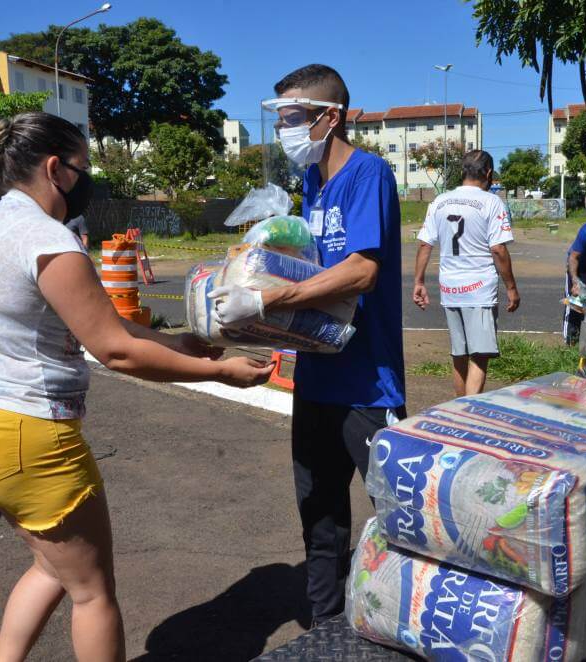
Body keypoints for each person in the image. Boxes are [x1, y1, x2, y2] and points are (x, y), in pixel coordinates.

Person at [0, 112, 273, 662]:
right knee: (93, 593)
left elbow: (106, 325)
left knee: (52, 566)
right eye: (83, 166)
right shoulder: (50, 242)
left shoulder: (0, 225)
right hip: (25, 436)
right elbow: (113, 349)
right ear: (56, 168)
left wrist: (179, 343)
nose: (88, 178)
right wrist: (218, 371)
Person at [209, 64, 406, 624]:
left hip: (368, 384)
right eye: (283, 119)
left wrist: (273, 299)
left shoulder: (368, 175)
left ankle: (400, 617)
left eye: (294, 117)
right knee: (319, 517)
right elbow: (312, 266)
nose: (285, 129)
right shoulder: (312, 184)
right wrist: (263, 258)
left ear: (330, 116)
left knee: (397, 513)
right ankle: (324, 630)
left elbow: (362, 271)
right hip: (316, 378)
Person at [412, 149, 520, 396]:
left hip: (450, 288)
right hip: (478, 289)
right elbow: (498, 250)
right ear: (489, 174)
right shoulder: (492, 202)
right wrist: (511, 288)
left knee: (459, 354)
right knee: (479, 356)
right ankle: (468, 412)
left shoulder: (440, 201)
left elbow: (425, 244)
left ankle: (458, 406)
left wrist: (419, 281)